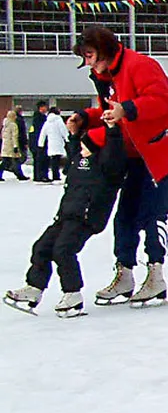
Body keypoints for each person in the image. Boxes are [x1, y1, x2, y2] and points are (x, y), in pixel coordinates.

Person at [68, 25, 168, 307]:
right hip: (138, 152)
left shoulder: (141, 65)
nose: (88, 63)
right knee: (125, 214)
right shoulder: (106, 76)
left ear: (104, 49)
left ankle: (156, 274)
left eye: (90, 55)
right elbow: (111, 113)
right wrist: (85, 118)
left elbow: (160, 101)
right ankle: (125, 272)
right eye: (85, 58)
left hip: (164, 149)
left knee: (153, 213)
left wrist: (125, 110)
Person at [4, 125, 128, 317]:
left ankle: (73, 294)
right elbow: (73, 147)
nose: (81, 148)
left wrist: (112, 131)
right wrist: (73, 133)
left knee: (63, 250)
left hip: (86, 218)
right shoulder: (78, 160)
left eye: (85, 145)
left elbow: (115, 152)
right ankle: (34, 289)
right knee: (42, 247)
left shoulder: (108, 166)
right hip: (65, 215)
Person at [37, 106, 69, 182]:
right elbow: (63, 131)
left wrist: (40, 143)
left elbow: (43, 133)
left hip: (51, 143)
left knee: (54, 159)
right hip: (58, 142)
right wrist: (67, 139)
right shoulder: (59, 120)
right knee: (57, 159)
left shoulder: (47, 122)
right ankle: (56, 175)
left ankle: (54, 174)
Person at [1, 110, 30, 181]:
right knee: (16, 161)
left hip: (5, 146)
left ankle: (19, 174)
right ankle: (20, 175)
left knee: (5, 161)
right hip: (11, 146)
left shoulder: (5, 125)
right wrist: (15, 146)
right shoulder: (13, 125)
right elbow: (14, 136)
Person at [31, 100, 49, 182]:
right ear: (41, 108)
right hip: (39, 142)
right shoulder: (40, 118)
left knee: (37, 160)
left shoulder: (36, 117)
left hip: (36, 142)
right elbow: (40, 131)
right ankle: (41, 176)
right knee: (41, 160)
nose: (46, 108)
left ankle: (37, 176)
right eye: (45, 107)